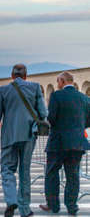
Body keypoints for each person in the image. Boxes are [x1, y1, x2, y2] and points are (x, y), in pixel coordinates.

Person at [0, 64, 47, 217]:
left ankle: (11, 200)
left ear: (12, 75)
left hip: (9, 136)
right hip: (29, 135)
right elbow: (43, 112)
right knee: (24, 171)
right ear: (26, 75)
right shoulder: (35, 87)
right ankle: (24, 209)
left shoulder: (3, 90)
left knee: (7, 169)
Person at [39, 72, 90, 215]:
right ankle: (72, 206)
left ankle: (53, 205)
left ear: (62, 81)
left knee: (52, 173)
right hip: (77, 143)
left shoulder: (56, 96)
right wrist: (79, 128)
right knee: (73, 175)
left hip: (58, 143)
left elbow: (52, 118)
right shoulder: (84, 98)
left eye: (58, 81)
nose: (57, 84)